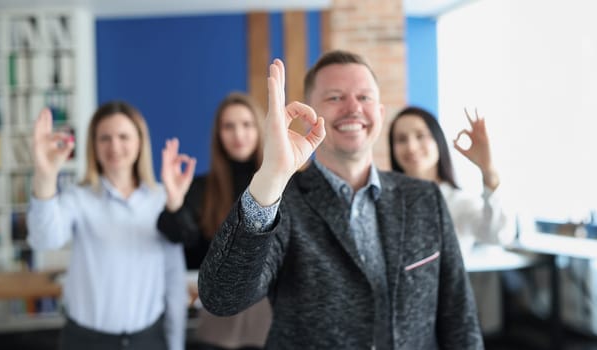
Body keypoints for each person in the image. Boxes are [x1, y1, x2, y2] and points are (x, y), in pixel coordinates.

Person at [190, 51, 483, 349]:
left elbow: (459, 313)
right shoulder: (283, 203)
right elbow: (221, 297)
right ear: (308, 115)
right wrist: (271, 177)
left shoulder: (424, 197)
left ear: (380, 114)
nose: (353, 108)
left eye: (365, 97)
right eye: (334, 98)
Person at [26, 102, 187, 350]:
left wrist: (176, 345)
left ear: (140, 142)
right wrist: (45, 177)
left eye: (124, 136)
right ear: (94, 145)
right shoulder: (78, 197)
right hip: (86, 341)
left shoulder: (163, 200)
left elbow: (174, 280)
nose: (114, 146)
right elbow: (45, 240)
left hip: (148, 340)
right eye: (105, 138)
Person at [158, 92, 272, 350]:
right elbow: (181, 239)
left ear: (260, 128)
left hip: (269, 317)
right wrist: (174, 202)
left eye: (246, 124)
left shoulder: (280, 186)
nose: (238, 134)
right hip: (219, 320)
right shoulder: (202, 188)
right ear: (218, 134)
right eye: (229, 126)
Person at [388, 106, 516, 333]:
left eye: (420, 136)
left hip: (443, 321)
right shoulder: (383, 199)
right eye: (401, 139)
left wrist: (488, 172)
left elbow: (500, 235)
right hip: (393, 320)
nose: (411, 146)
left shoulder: (458, 201)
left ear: (438, 141)